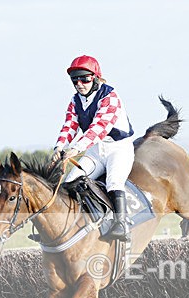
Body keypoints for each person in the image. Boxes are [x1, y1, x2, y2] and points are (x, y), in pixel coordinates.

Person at [51, 55, 135, 241]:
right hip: (96, 150)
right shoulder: (75, 100)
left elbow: (98, 127)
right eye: (75, 80)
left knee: (114, 182)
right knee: (70, 181)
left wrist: (76, 149)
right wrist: (59, 147)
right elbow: (69, 126)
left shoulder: (110, 96)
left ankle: (122, 224)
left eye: (85, 79)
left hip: (119, 148)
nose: (80, 84)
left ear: (96, 78)